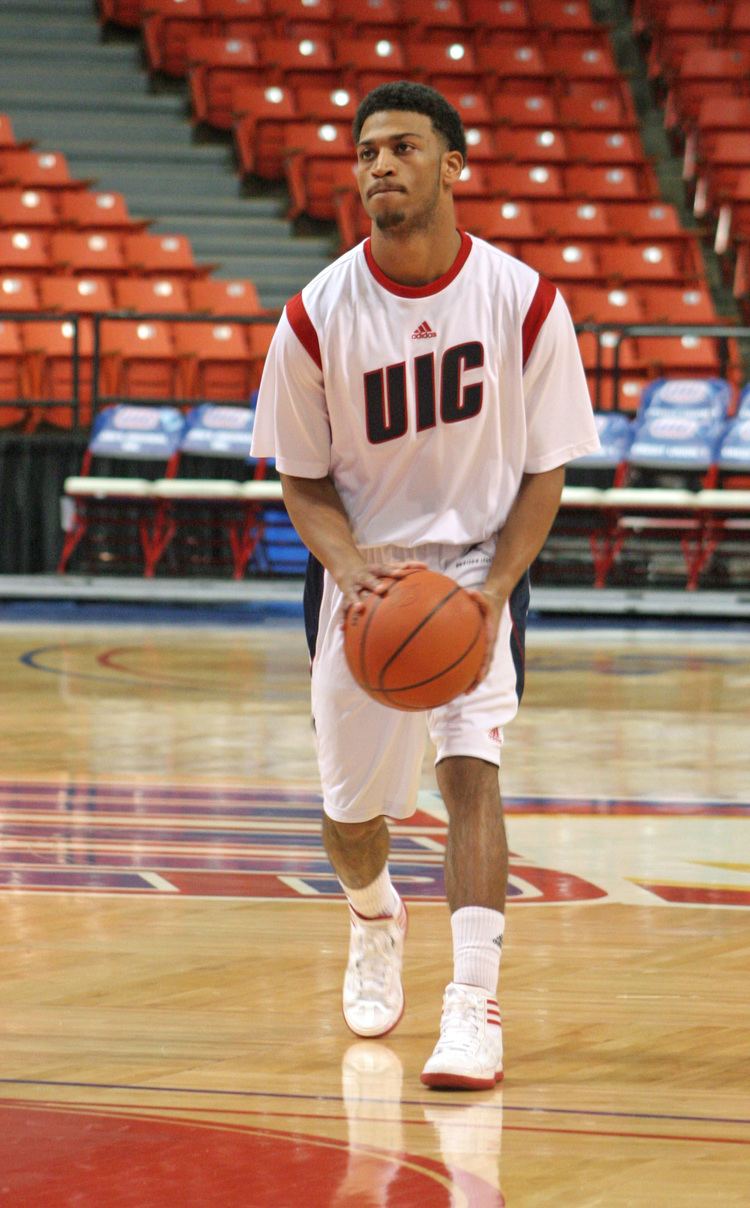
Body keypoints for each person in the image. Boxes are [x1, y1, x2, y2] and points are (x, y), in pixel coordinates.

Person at [250, 80, 599, 1089]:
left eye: (403, 147)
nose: (380, 167)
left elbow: (546, 471)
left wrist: (492, 589)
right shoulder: (316, 316)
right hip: (362, 577)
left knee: (469, 775)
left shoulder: (523, 301)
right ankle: (373, 915)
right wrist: (354, 571)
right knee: (353, 816)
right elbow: (302, 481)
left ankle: (472, 1002)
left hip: (479, 576)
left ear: (454, 165)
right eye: (365, 153)